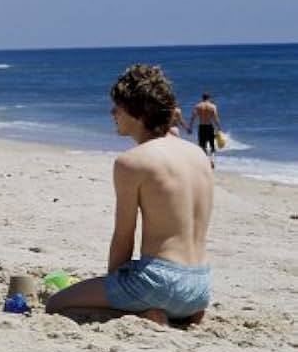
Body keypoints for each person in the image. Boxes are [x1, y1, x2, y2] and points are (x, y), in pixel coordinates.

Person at [46, 64, 213, 326]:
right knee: (156, 289)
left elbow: (124, 236)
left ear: (138, 112)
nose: (112, 112)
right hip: (200, 286)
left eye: (118, 107)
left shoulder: (132, 162)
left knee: (55, 303)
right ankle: (182, 311)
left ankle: (144, 313)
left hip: (159, 282)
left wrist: (114, 286)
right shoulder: (199, 155)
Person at [188, 92, 222, 159]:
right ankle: (212, 158)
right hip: (209, 127)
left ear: (202, 98)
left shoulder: (198, 106)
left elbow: (193, 117)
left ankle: (205, 159)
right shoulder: (213, 106)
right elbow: (216, 118)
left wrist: (190, 127)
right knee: (212, 145)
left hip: (202, 127)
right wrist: (219, 128)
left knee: (202, 145)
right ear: (209, 98)